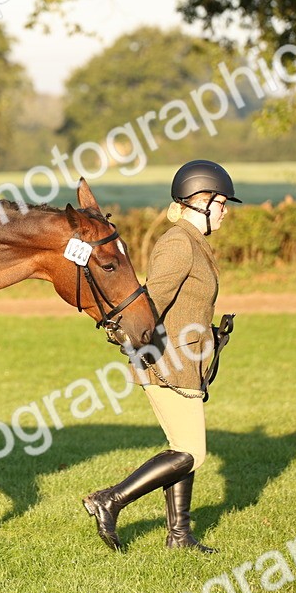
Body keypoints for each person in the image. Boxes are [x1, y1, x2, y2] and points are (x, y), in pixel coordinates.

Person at [83, 159, 241, 554]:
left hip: (185, 359)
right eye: (222, 204)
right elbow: (151, 305)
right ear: (203, 202)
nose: (225, 211)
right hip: (166, 360)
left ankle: (179, 536)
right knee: (192, 452)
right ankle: (110, 500)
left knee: (179, 446)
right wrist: (151, 356)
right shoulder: (178, 243)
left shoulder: (192, 240)